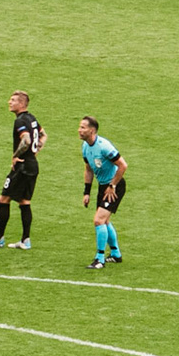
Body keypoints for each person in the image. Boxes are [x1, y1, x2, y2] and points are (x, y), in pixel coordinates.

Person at [0, 92, 45, 249]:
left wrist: (15, 156)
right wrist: (34, 152)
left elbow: (26, 140)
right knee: (24, 201)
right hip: (32, 165)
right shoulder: (32, 118)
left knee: (3, 199)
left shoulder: (20, 121)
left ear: (22, 104)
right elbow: (43, 136)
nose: (9, 102)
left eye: (13, 100)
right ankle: (25, 240)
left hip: (22, 167)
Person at [78, 115, 126, 268]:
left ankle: (99, 259)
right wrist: (87, 192)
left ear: (92, 130)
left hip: (114, 186)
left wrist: (112, 185)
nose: (79, 130)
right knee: (104, 221)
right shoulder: (85, 147)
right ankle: (115, 254)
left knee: (99, 220)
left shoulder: (104, 146)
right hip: (103, 186)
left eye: (83, 127)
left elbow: (123, 165)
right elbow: (89, 169)